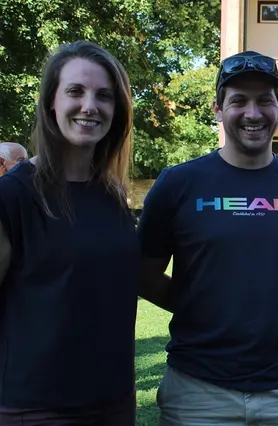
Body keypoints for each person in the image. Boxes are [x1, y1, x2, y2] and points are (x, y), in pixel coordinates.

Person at [138, 50, 278, 426]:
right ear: (218, 109)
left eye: (264, 101)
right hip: (197, 389)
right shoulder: (178, 183)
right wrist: (200, 306)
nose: (253, 113)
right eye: (239, 100)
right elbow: (142, 274)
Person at [0, 41, 138, 425]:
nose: (90, 106)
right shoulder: (13, 196)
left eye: (104, 96)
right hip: (36, 409)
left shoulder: (112, 195)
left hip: (114, 403)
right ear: (51, 103)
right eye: (75, 91)